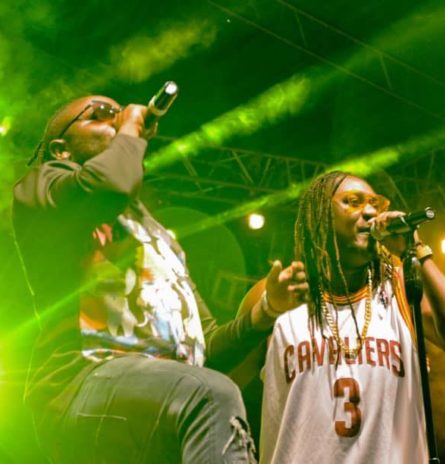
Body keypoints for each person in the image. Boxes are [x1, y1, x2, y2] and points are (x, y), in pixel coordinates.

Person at [12, 95, 308, 464]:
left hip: (158, 400)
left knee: (207, 389)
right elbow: (109, 187)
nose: (116, 117)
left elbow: (203, 350)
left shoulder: (158, 238)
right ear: (62, 149)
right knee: (211, 394)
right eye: (101, 114)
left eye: (118, 112)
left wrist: (264, 312)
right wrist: (131, 126)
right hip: (81, 382)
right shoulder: (43, 188)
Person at [253, 171, 445, 463]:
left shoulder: (400, 287)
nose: (370, 212)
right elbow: (223, 376)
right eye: (353, 202)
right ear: (319, 217)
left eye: (375, 204)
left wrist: (416, 251)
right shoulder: (281, 294)